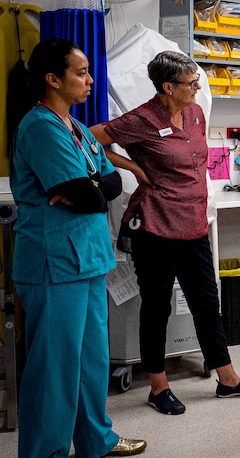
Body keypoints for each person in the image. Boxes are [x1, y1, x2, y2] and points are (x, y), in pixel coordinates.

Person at [89, 51, 240, 415]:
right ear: (167, 87)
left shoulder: (195, 112)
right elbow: (93, 139)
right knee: (156, 307)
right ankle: (158, 387)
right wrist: (135, 169)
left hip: (194, 223)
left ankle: (228, 378)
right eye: (191, 83)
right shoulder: (141, 118)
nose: (197, 87)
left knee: (207, 301)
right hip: (156, 225)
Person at [9, 39, 146, 457]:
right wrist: (92, 189)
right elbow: (88, 196)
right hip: (54, 264)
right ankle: (45, 451)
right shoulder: (40, 127)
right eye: (81, 72)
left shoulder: (79, 129)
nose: (89, 80)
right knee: (55, 368)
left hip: (87, 259)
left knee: (90, 362)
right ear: (53, 79)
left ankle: (95, 441)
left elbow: (111, 183)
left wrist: (93, 187)